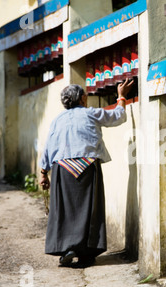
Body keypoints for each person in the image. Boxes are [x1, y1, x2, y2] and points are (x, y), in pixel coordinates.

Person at [39, 78, 134, 268]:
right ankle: (86, 252)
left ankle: (67, 248)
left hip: (62, 168)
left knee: (64, 210)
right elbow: (117, 116)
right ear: (82, 99)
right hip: (87, 164)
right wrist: (121, 97)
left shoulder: (57, 120)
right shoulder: (91, 113)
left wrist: (44, 172)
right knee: (89, 209)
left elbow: (49, 146)